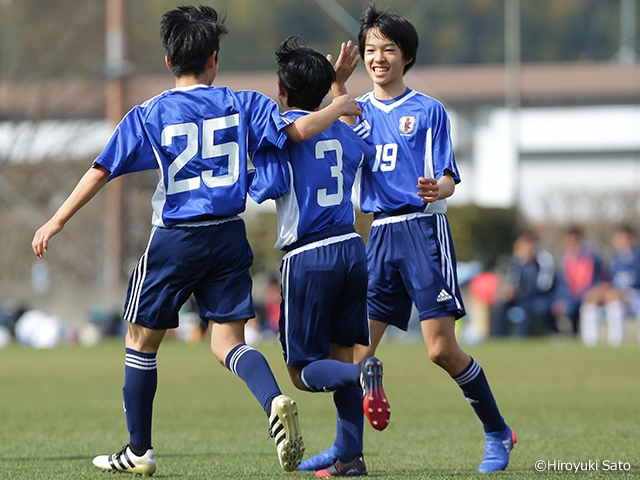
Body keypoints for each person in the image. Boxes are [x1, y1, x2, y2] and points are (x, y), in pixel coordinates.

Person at [31, 5, 362, 476]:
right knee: (227, 341)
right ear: (214, 59)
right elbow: (299, 128)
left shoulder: (149, 114)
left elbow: (101, 170)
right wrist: (338, 99)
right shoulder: (245, 103)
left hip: (176, 239)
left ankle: (139, 450)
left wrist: (56, 221)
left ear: (169, 62)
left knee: (140, 340)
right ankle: (272, 401)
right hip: (228, 235)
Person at [300, 3, 515, 473]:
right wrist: (336, 83)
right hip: (378, 237)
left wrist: (438, 188)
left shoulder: (428, 110)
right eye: (371, 49)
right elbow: (342, 119)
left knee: (440, 350)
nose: (378, 58)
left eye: (389, 50)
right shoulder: (356, 109)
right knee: (358, 354)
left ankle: (499, 432)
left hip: (422, 232)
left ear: (407, 57)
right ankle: (348, 455)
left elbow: (449, 177)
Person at [249, 35, 387, 478]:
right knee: (340, 355)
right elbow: (365, 138)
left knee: (302, 370)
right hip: (351, 249)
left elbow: (264, 187)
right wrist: (340, 90)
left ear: (281, 88)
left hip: (309, 256)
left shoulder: (282, 129)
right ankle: (351, 458)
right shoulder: (344, 127)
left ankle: (364, 378)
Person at [579, 224, 640, 347]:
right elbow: (606, 279)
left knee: (614, 297)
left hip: (635, 295)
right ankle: (590, 341)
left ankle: (616, 341)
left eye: (623, 238)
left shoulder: (637, 257)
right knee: (592, 296)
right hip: (614, 293)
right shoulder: (614, 258)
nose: (620, 242)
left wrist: (620, 292)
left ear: (631, 239)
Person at [493, 230, 557, 336]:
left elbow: (544, 285)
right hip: (522, 295)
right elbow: (513, 279)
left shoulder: (544, 259)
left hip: (541, 296)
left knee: (527, 306)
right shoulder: (518, 260)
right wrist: (511, 290)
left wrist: (522, 290)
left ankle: (522, 338)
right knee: (503, 304)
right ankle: (498, 337)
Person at [552, 226, 604, 336]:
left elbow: (595, 278)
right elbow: (562, 282)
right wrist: (560, 299)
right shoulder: (564, 258)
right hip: (569, 297)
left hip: (587, 294)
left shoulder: (592, 256)